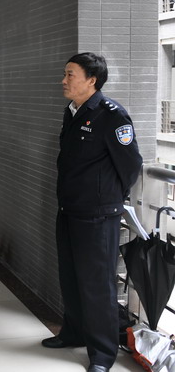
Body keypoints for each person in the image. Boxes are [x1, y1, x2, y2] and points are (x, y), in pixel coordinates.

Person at [41, 53, 142, 372]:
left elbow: (131, 165)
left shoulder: (112, 115)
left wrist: (108, 197)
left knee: (97, 284)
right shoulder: (73, 111)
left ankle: (102, 353)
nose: (63, 80)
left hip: (98, 215)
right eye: (65, 74)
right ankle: (73, 332)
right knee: (70, 277)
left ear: (92, 80)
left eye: (70, 75)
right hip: (69, 208)